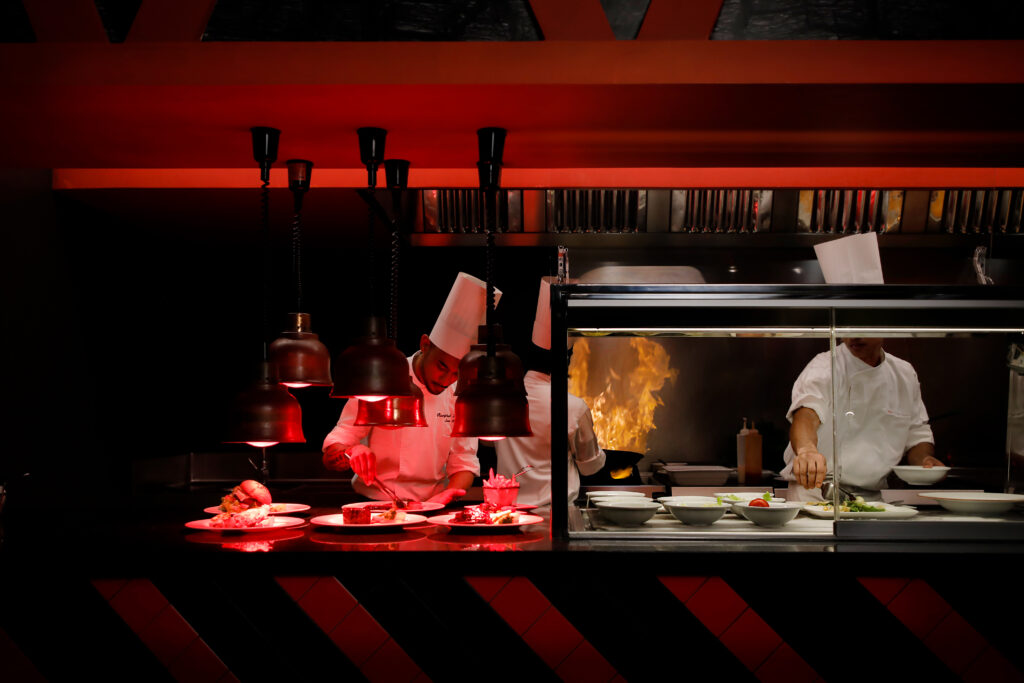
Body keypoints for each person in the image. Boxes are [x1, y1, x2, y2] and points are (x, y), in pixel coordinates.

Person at [322, 273, 499, 504]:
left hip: (431, 506)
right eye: (442, 366)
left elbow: (464, 461)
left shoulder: (460, 393)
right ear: (425, 345)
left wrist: (447, 494)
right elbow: (331, 454)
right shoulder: (383, 377)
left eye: (457, 373)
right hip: (373, 506)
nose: (447, 380)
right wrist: (351, 452)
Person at [781, 337, 944, 501]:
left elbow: (917, 434)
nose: (854, 336)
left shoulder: (904, 373)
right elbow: (806, 415)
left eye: (862, 326)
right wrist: (806, 450)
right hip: (817, 493)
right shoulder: (824, 366)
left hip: (873, 499)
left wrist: (924, 460)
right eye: (847, 327)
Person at [494, 277, 606, 507]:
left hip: (508, 513)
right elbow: (590, 465)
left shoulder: (499, 400)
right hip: (559, 516)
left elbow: (486, 443)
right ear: (566, 359)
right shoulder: (573, 406)